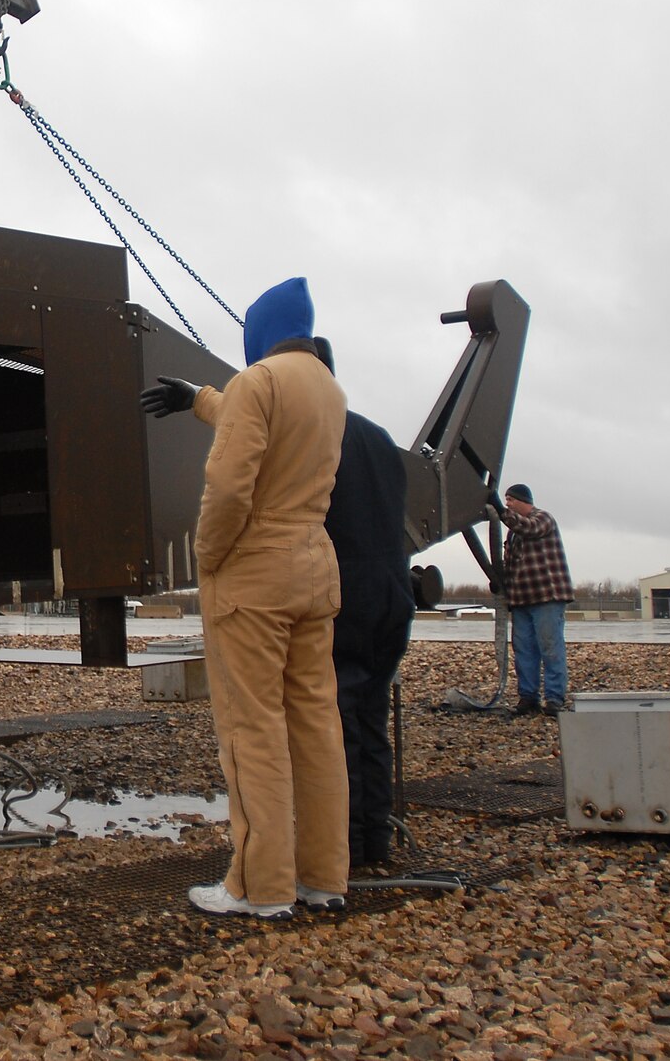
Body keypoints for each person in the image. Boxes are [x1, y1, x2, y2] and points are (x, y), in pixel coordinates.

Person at [141, 277, 349, 920]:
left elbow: (229, 486)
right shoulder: (328, 387)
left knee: (251, 730)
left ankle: (259, 887)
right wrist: (199, 398)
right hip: (314, 566)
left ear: (258, 330)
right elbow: (256, 413)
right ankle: (322, 877)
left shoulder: (259, 380)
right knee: (316, 726)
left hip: (255, 575)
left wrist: (210, 559)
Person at [312, 339, 416, 868]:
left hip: (343, 593)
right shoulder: (378, 437)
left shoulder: (314, 433)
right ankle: (374, 839)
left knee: (337, 720)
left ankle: (345, 849)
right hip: (392, 594)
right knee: (370, 716)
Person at [492, 482, 573, 717]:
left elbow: (529, 528)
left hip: (547, 596)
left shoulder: (543, 519)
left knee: (550, 648)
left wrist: (500, 511)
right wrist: (500, 581)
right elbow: (511, 563)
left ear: (524, 500)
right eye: (505, 500)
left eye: (511, 500)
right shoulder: (513, 533)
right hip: (521, 600)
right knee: (524, 650)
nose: (508, 504)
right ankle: (528, 697)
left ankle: (554, 699)